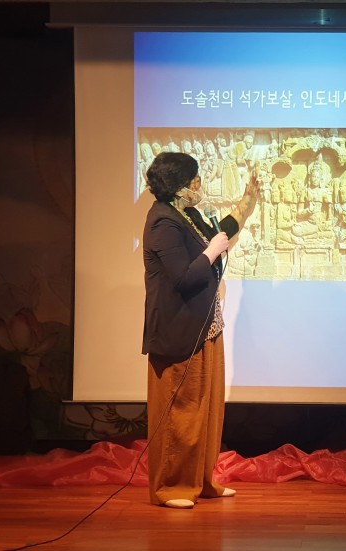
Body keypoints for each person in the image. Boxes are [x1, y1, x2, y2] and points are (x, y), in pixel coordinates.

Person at [141, 151, 259, 509]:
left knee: (206, 409)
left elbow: (219, 233)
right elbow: (183, 277)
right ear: (180, 186)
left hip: (205, 324)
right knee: (181, 412)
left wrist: (246, 205)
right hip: (178, 330)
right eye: (195, 179)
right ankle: (172, 487)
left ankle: (201, 481)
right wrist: (212, 252)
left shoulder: (186, 215)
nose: (199, 185)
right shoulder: (162, 223)